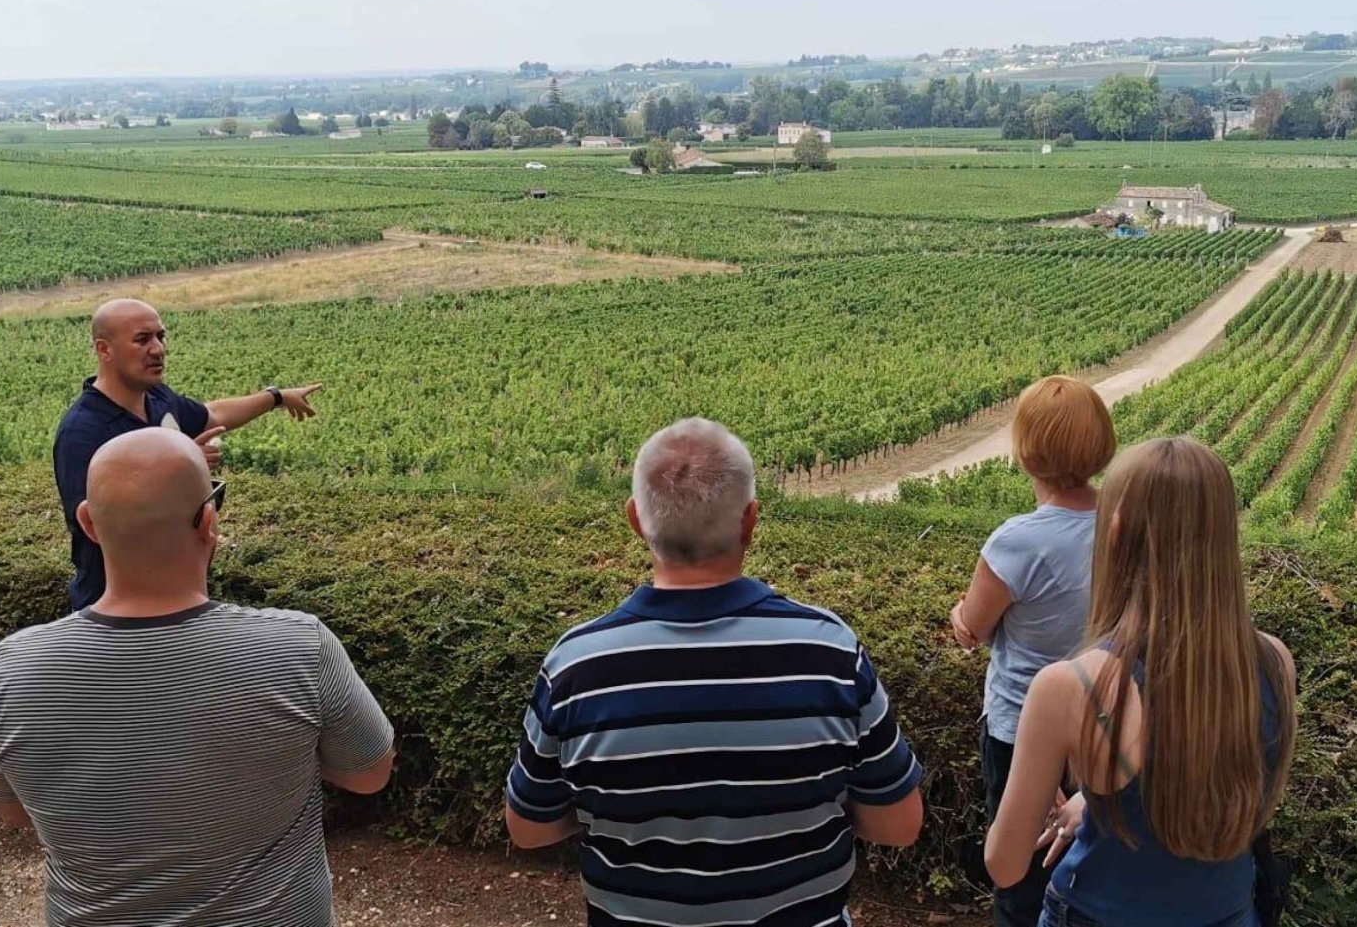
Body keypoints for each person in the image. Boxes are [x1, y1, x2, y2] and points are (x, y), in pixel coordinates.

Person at [505, 417, 925, 927]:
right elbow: (899, 825)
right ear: (750, 521)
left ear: (635, 519)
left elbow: (528, 828)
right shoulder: (830, 652)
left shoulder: (576, 666)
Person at [0, 428, 396, 927]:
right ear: (208, 521)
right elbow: (371, 774)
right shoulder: (298, 648)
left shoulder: (14, 670)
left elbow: (15, 811)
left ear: (87, 522)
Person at [985, 438, 1298, 927]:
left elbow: (1005, 865)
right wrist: (1097, 803)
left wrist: (1070, 797)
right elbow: (1199, 778)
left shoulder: (1072, 686)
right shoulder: (1274, 661)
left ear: (1115, 532)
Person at [949, 375, 1115, 927]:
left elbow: (974, 627)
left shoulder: (1016, 541)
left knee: (1019, 875)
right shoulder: (1125, 525)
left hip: (1022, 731)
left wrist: (958, 618)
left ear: (1025, 451)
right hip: (1111, 728)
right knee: (1093, 872)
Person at [54, 298, 323, 610]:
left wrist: (275, 397)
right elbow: (98, 523)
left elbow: (211, 415)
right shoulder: (82, 432)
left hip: (180, 595)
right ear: (105, 350)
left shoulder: (157, 397)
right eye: (142, 339)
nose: (158, 349)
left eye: (161, 336)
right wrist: (178, 467)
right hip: (119, 610)